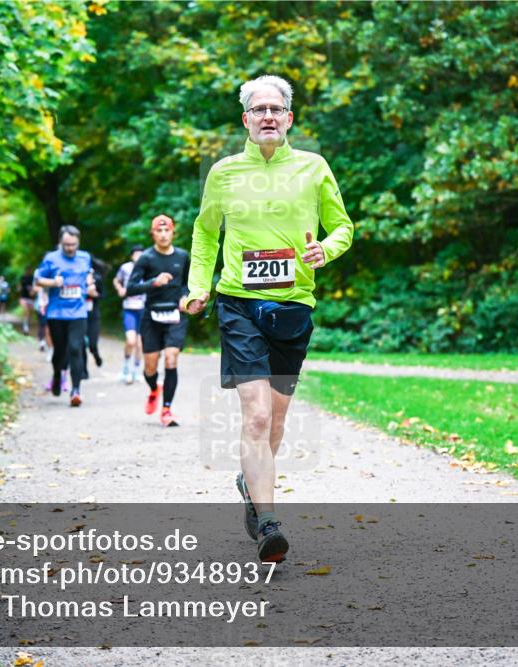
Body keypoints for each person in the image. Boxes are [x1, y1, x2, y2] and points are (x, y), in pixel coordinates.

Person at [184, 75, 354, 562]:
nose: (267, 116)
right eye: (258, 109)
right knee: (256, 415)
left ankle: (250, 483)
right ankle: (269, 525)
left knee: (275, 422)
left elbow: (342, 227)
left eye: (276, 109)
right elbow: (205, 232)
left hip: (293, 306)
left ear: (289, 118)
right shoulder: (224, 172)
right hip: (238, 301)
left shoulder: (313, 167)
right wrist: (199, 286)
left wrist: (326, 249)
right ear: (246, 119)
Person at [126, 216, 190, 427]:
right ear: (152, 234)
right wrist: (154, 282)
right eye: (159, 231)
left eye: (167, 230)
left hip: (175, 315)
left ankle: (166, 410)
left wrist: (185, 297)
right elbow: (131, 288)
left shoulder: (182, 256)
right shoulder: (146, 258)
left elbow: (187, 284)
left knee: (171, 358)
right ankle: (154, 389)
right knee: (150, 368)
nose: (163, 235)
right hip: (151, 316)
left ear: (173, 233)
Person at [36, 226, 97, 407]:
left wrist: (90, 283)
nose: (70, 248)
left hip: (78, 311)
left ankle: (75, 390)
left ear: (78, 242)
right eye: (66, 245)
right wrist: (54, 282)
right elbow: (38, 280)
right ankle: (57, 375)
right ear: (60, 243)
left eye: (73, 245)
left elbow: (88, 275)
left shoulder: (85, 257)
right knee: (60, 351)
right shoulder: (51, 258)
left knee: (76, 348)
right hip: (57, 313)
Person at [114, 244, 146, 384]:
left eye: (141, 254)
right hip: (129, 309)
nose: (138, 257)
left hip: (143, 309)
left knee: (140, 344)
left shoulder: (148, 268)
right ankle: (125, 368)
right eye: (136, 254)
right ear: (132, 256)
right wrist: (120, 289)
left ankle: (136, 370)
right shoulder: (125, 268)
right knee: (131, 341)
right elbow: (116, 280)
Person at [19, 267, 36, 335]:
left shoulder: (33, 278)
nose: (28, 271)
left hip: (31, 298)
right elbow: (20, 285)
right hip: (23, 297)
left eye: (29, 270)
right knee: (26, 311)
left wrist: (33, 292)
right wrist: (19, 289)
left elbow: (35, 286)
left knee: (30, 312)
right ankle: (25, 327)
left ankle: (27, 325)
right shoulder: (23, 277)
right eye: (27, 270)